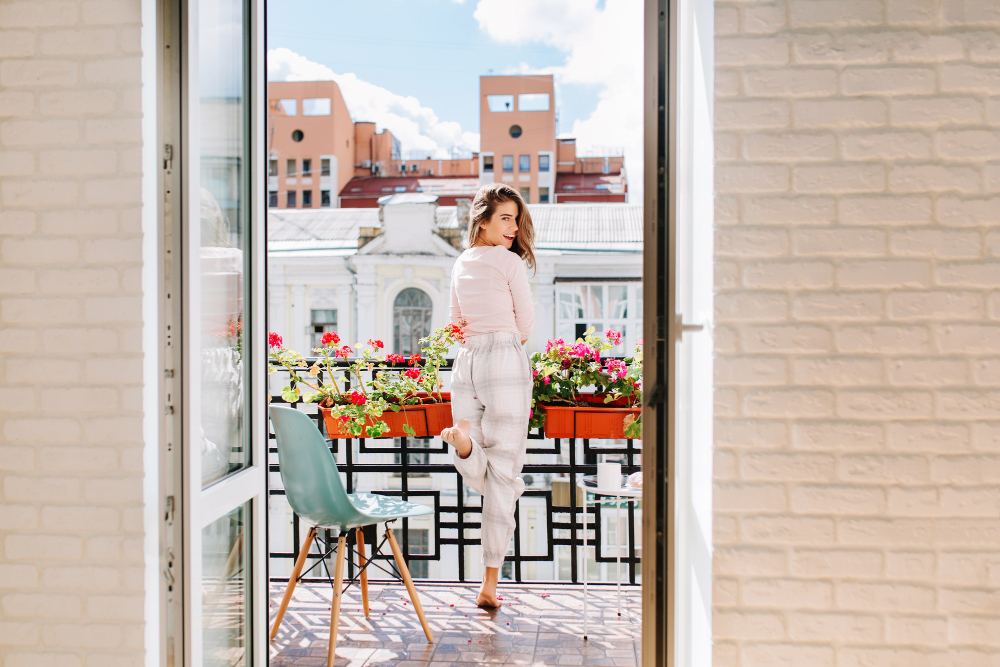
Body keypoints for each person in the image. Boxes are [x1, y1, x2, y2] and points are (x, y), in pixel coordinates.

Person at [440, 183, 536, 608]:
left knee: (483, 465)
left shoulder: (461, 262)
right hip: (503, 359)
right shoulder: (509, 263)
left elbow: (454, 324)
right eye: (505, 218)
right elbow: (526, 323)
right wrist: (508, 347)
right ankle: (490, 582)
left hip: (466, 362)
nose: (513, 227)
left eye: (516, 219)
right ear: (482, 220)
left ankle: (463, 448)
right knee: (505, 471)